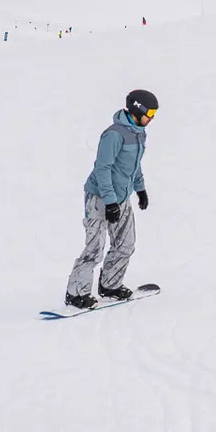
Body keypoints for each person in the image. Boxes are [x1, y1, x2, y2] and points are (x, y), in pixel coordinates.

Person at [65, 90, 156, 309]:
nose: (152, 118)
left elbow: (134, 165)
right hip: (100, 197)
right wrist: (110, 201)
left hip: (121, 197)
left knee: (126, 244)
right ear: (137, 110)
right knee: (94, 248)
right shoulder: (114, 135)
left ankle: (110, 285)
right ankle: (76, 294)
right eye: (150, 112)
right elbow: (102, 168)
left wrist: (140, 189)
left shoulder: (139, 133)